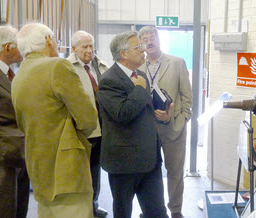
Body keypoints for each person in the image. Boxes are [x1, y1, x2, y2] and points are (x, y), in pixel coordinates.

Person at [11, 23, 97, 218]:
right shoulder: (58, 66)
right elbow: (88, 119)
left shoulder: (18, 75)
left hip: (39, 167)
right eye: (56, 40)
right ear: (48, 40)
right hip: (67, 171)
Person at [97, 31, 168, 218]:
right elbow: (122, 114)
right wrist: (138, 88)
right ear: (124, 54)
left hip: (150, 160)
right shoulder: (108, 80)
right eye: (138, 47)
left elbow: (144, 109)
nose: (143, 50)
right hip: (124, 162)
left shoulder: (140, 74)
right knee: (123, 212)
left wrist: (162, 111)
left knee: (158, 212)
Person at [139, 26, 192, 218]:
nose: (149, 41)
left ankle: (176, 209)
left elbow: (187, 95)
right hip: (148, 131)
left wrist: (182, 118)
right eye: (144, 39)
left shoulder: (177, 63)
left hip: (173, 128)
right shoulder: (137, 68)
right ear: (141, 45)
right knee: (150, 174)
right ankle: (154, 210)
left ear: (159, 39)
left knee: (175, 172)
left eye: (152, 37)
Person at [67, 30, 108, 217]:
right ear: (74, 48)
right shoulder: (65, 67)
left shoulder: (100, 66)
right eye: (85, 46)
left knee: (95, 170)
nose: (89, 50)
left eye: (91, 46)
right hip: (79, 131)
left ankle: (93, 205)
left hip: (100, 129)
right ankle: (80, 209)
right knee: (78, 172)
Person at [0, 25, 30, 218]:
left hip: (19, 151)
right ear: (7, 47)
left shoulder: (10, 74)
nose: (23, 50)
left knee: (19, 204)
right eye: (20, 45)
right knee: (4, 205)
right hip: (2, 153)